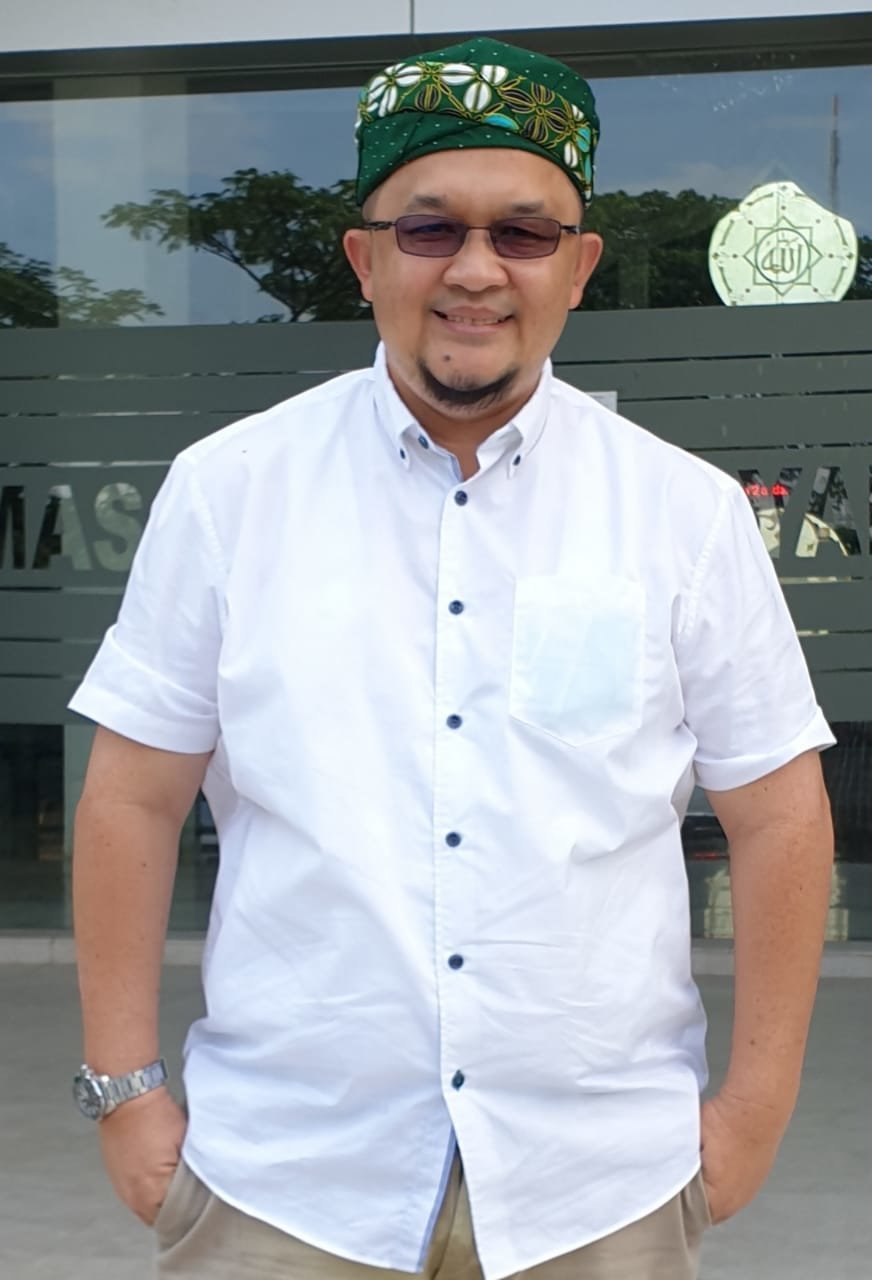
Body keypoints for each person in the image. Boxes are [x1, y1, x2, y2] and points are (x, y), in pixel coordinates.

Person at [69, 35, 835, 1280]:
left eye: (523, 232)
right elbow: (131, 795)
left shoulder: (681, 513)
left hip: (598, 1185)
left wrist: (754, 1105)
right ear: (363, 257)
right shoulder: (228, 491)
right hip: (284, 1178)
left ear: (577, 267)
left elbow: (779, 811)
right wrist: (124, 1087)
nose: (476, 269)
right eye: (429, 228)